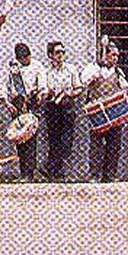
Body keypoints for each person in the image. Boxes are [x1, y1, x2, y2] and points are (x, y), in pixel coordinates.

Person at [81, 37, 128, 183]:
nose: (115, 59)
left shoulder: (118, 72)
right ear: (106, 54)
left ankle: (110, 175)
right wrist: (96, 70)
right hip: (97, 113)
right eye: (112, 55)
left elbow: (126, 89)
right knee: (96, 144)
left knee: (114, 144)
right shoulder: (94, 68)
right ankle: (94, 174)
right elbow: (83, 81)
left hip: (114, 113)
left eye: (117, 56)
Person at [0, 43, 44, 183]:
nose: (26, 61)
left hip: (32, 102)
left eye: (27, 58)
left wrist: (39, 96)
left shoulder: (37, 66)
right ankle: (23, 171)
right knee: (20, 139)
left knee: (31, 139)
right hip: (17, 104)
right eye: (23, 59)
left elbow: (42, 86)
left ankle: (31, 172)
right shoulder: (11, 69)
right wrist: (7, 104)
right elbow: (2, 88)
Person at [41, 41, 83, 182]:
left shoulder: (71, 69)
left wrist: (70, 93)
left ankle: (51, 166)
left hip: (67, 107)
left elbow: (79, 88)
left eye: (62, 52)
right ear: (51, 55)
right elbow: (44, 91)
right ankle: (55, 172)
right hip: (52, 108)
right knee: (54, 140)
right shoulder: (46, 73)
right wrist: (48, 93)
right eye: (57, 52)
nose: (60, 55)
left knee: (67, 141)